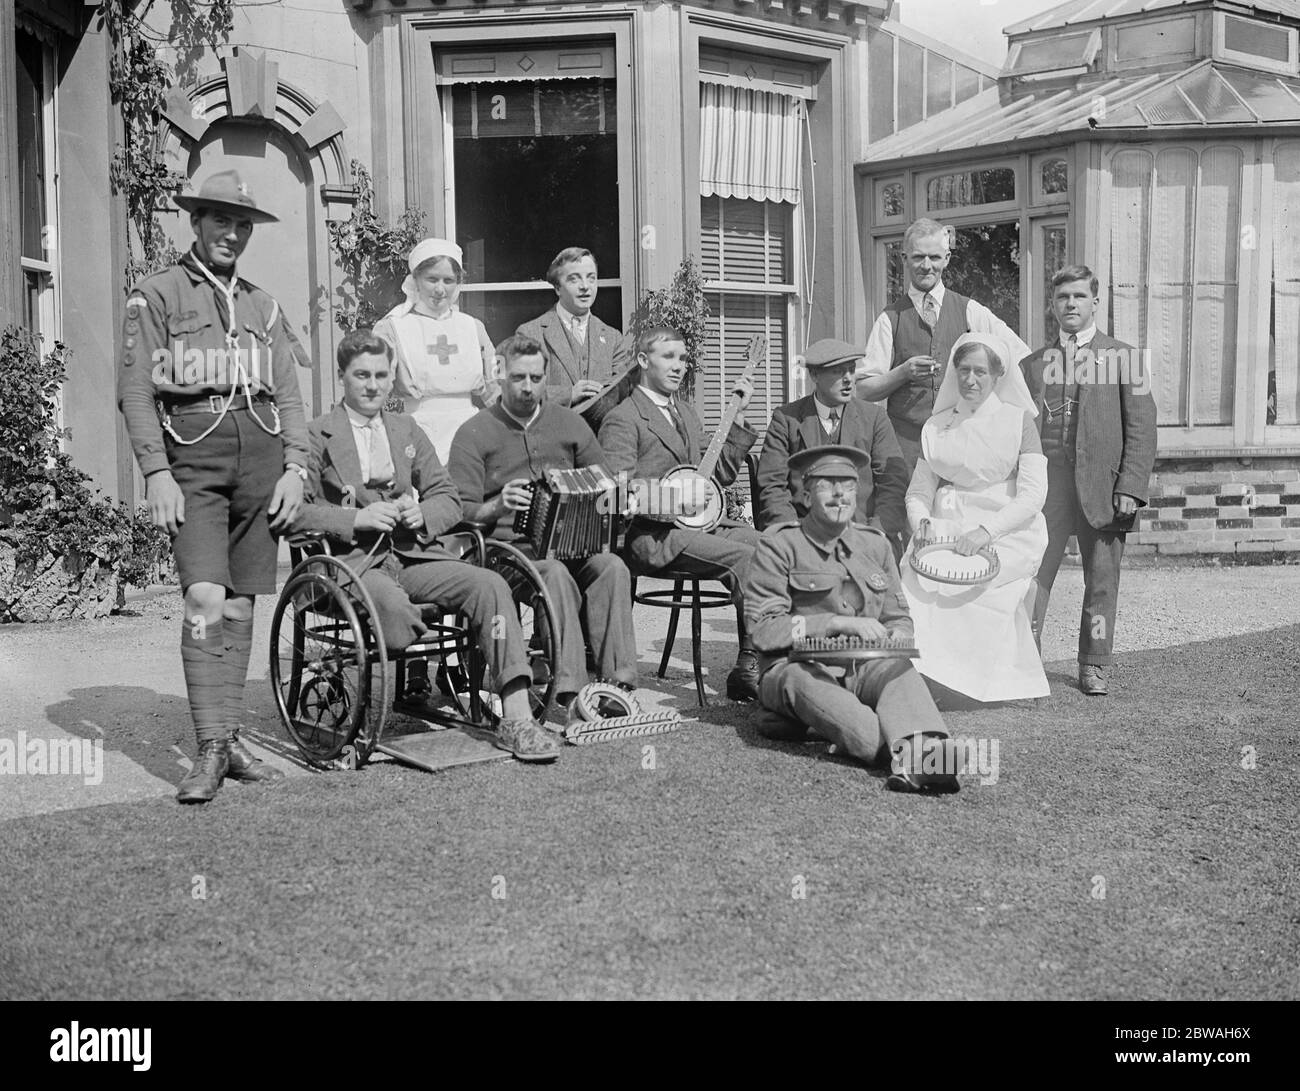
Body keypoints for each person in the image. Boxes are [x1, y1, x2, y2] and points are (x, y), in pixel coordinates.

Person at [117, 170, 305, 804]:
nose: (232, 233)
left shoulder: (263, 304)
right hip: (194, 460)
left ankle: (229, 740)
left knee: (242, 604)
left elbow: (290, 394)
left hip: (262, 458)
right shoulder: (157, 294)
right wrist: (156, 472)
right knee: (202, 598)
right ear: (194, 222)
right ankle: (208, 745)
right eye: (220, 220)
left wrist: (298, 467)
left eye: (242, 223)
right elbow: (136, 391)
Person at [293, 329, 559, 762]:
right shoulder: (315, 435)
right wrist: (354, 518)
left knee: (488, 585)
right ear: (342, 376)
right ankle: (411, 643)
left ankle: (516, 719)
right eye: (361, 375)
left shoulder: (405, 428)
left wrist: (424, 514)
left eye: (381, 374)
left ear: (392, 375)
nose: (373, 385)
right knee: (393, 615)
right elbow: (292, 514)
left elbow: (448, 497)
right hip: (352, 566)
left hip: (412, 554)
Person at [744, 446, 959, 793]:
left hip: (862, 666)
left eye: (847, 484)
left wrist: (896, 637)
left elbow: (898, 617)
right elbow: (763, 630)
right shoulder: (779, 545)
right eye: (828, 485)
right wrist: (833, 623)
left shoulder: (874, 545)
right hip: (794, 668)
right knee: (836, 709)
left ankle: (927, 758)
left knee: (899, 669)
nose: (840, 494)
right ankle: (902, 753)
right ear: (806, 492)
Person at [447, 334, 639, 707]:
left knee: (612, 567)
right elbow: (457, 512)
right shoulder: (474, 432)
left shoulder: (569, 424)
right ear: (498, 375)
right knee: (552, 573)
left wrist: (621, 501)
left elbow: (603, 482)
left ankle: (618, 688)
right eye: (519, 378)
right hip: (504, 553)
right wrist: (496, 506)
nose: (528, 387)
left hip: (573, 545)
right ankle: (573, 692)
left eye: (536, 378)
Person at [597, 326, 761, 701]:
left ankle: (755, 657)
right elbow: (616, 494)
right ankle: (759, 660)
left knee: (771, 546)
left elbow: (714, 478)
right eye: (668, 357)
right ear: (642, 361)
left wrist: (737, 418)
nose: (679, 366)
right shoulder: (623, 418)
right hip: (651, 537)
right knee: (744, 557)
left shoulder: (686, 413)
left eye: (683, 359)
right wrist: (673, 502)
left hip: (695, 526)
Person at [1021, 266, 1157, 696]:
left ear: (1095, 303)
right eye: (1063, 298)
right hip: (1048, 489)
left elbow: (1142, 429)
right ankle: (1024, 656)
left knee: (1100, 579)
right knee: (1033, 573)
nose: (1071, 305)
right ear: (1053, 305)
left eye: (1079, 297)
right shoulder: (1034, 364)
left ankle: (1093, 663)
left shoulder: (1125, 359)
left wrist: (1130, 488)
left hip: (1104, 488)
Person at [901, 332, 1050, 702]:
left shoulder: (1019, 422)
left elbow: (1032, 495)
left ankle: (977, 680)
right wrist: (921, 524)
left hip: (1007, 527)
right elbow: (919, 491)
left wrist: (987, 531)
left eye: (981, 372)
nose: (971, 379)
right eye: (964, 370)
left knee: (978, 585)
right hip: (947, 521)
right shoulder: (936, 426)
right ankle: (931, 674)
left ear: (998, 375)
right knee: (919, 580)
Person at [856, 217, 1029, 476]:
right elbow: (863, 389)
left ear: (947, 259)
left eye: (934, 258)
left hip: (962, 446)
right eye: (918, 257)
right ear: (904, 259)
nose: (927, 266)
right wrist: (902, 373)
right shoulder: (890, 318)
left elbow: (1021, 357)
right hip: (906, 451)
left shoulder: (969, 310)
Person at [756, 338, 907, 549]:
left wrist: (876, 533)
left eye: (851, 370)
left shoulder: (874, 418)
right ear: (814, 375)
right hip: (804, 540)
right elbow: (772, 487)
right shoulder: (786, 419)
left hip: (864, 538)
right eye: (838, 372)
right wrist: (793, 538)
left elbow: (893, 484)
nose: (848, 380)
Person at [373, 237, 497, 463]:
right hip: (416, 431)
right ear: (416, 280)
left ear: (458, 282)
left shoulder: (472, 327)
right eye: (432, 279)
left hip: (469, 432)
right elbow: (378, 394)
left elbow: (494, 390)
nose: (440, 289)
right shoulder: (392, 328)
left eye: (448, 280)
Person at [516, 247, 633, 416]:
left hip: (600, 439)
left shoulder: (612, 338)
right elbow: (520, 392)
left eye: (591, 279)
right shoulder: (530, 334)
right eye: (574, 279)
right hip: (552, 435)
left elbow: (624, 393)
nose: (585, 286)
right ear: (557, 288)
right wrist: (568, 394)